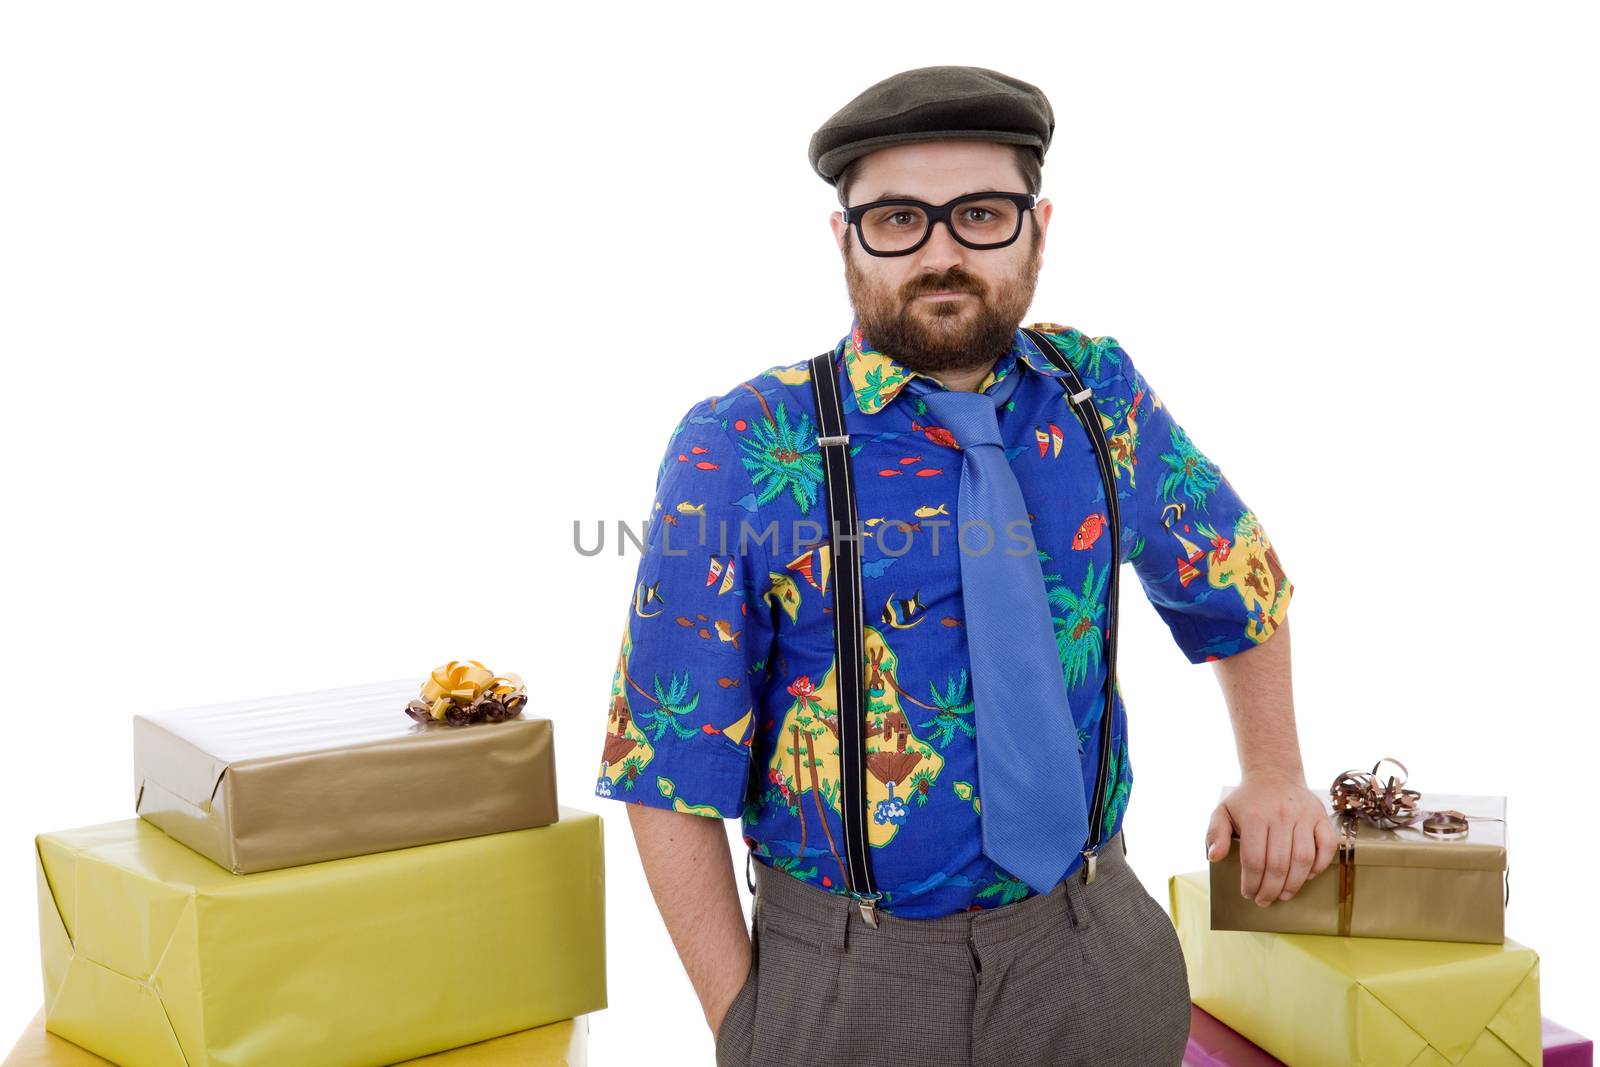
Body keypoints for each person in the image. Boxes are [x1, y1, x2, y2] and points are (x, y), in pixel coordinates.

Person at [593, 64, 1331, 1067]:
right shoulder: (743, 445)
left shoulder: (1098, 394)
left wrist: (1275, 771)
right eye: (897, 218)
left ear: (1036, 223)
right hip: (850, 980)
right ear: (845, 236)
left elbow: (1237, 577)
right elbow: (665, 765)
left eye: (979, 213)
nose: (940, 252)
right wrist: (747, 1024)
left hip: (1094, 952)